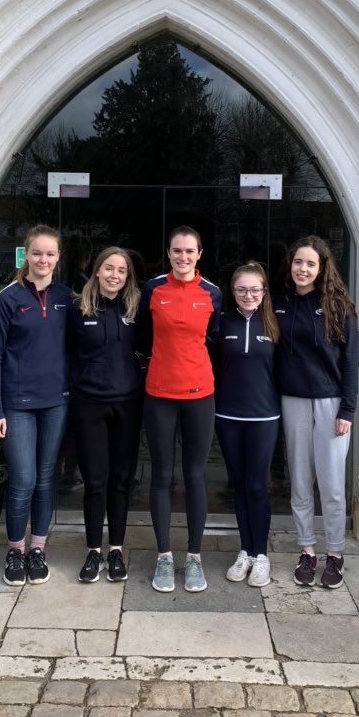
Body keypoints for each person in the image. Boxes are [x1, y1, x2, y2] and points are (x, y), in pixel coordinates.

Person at [0, 224, 70, 587]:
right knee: (23, 479)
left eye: (50, 253)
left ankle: (38, 548)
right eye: (37, 252)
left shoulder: (68, 297)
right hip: (17, 405)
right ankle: (15, 550)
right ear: (26, 254)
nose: (43, 259)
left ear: (58, 258)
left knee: (46, 479)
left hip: (56, 403)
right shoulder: (8, 298)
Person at [137, 225, 221, 593]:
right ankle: (164, 557)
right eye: (177, 251)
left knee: (196, 477)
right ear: (168, 253)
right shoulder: (152, 289)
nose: (183, 257)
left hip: (200, 393)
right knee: (161, 476)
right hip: (159, 392)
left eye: (189, 251)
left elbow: (214, 340)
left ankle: (195, 556)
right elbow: (141, 335)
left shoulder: (213, 293)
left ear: (199, 253)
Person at [274, 235, 359, 590]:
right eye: (298, 262)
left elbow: (351, 361)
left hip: (330, 404)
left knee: (332, 486)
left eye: (310, 263)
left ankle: (335, 554)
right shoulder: (278, 303)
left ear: (322, 268)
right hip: (292, 400)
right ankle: (307, 550)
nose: (303, 269)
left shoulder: (340, 307)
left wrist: (347, 409)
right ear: (290, 264)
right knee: (299, 481)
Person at [67, 246, 144, 583]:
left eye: (122, 271)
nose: (115, 275)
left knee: (120, 480)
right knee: (95, 481)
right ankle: (93, 551)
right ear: (97, 270)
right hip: (89, 404)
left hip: (127, 403)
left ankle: (116, 550)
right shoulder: (77, 307)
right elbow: (66, 351)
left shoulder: (135, 308)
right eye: (109, 268)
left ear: (128, 277)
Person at [214, 262, 280, 588]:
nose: (248, 295)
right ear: (232, 290)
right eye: (241, 289)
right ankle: (245, 552)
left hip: (264, 417)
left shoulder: (274, 323)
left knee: (257, 486)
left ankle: (261, 554)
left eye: (255, 289)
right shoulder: (222, 322)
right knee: (238, 486)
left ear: (264, 291)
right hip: (227, 416)